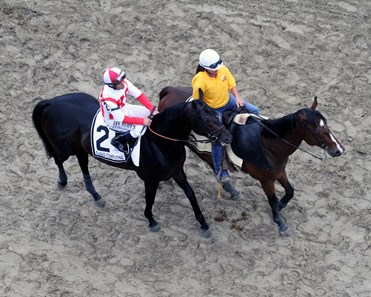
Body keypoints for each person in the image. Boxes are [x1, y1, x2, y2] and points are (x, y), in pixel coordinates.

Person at [192, 49, 260, 188]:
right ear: (205, 68)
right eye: (213, 70)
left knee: (254, 110)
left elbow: (231, 84)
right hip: (214, 109)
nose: (217, 71)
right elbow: (197, 103)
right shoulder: (199, 81)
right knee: (218, 140)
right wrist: (208, 116)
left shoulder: (222, 69)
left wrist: (238, 98)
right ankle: (220, 170)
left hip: (228, 100)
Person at [99, 67, 158, 154]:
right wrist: (142, 121)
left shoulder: (123, 82)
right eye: (119, 82)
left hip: (124, 108)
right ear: (112, 85)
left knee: (150, 113)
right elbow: (121, 119)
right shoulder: (108, 98)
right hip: (113, 119)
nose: (123, 83)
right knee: (139, 129)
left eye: (122, 79)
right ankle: (118, 140)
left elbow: (139, 95)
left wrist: (151, 109)